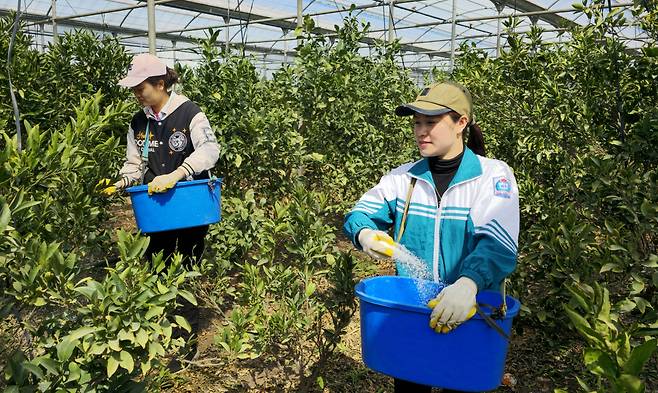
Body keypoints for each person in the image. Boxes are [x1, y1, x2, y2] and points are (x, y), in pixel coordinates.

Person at [343, 81, 519, 392]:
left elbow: (498, 243)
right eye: (417, 123)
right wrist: (366, 233)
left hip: (470, 310)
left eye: (431, 122)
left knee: (462, 383)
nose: (422, 131)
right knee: (411, 383)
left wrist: (468, 283)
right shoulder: (404, 178)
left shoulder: (491, 175)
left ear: (460, 123)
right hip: (415, 311)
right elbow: (360, 214)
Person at [104, 53, 220, 360]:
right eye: (134, 89)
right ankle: (158, 336)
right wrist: (121, 182)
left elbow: (210, 150)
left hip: (189, 206)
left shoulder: (189, 113)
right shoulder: (139, 121)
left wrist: (178, 173)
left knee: (185, 271)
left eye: (141, 87)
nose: (136, 94)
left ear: (160, 83)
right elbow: (135, 163)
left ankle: (185, 348)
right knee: (157, 270)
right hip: (156, 210)